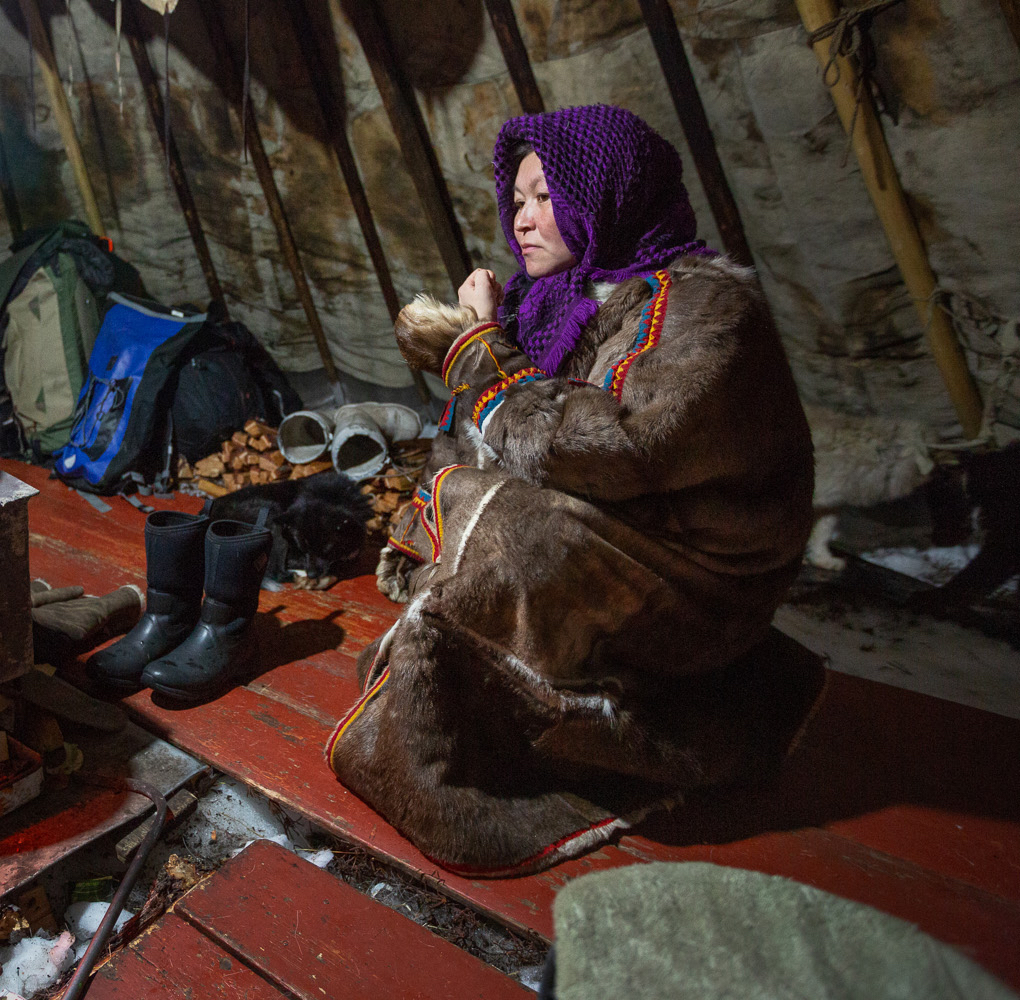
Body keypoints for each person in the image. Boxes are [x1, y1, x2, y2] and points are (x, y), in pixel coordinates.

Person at [326, 105, 827, 877]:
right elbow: (483, 439)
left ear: (608, 193)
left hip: (703, 576)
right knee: (473, 501)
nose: (521, 220)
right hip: (628, 532)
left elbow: (615, 449)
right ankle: (492, 708)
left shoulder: (702, 307)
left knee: (510, 531)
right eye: (516, 201)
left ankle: (483, 751)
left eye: (543, 197)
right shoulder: (555, 301)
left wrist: (476, 353)